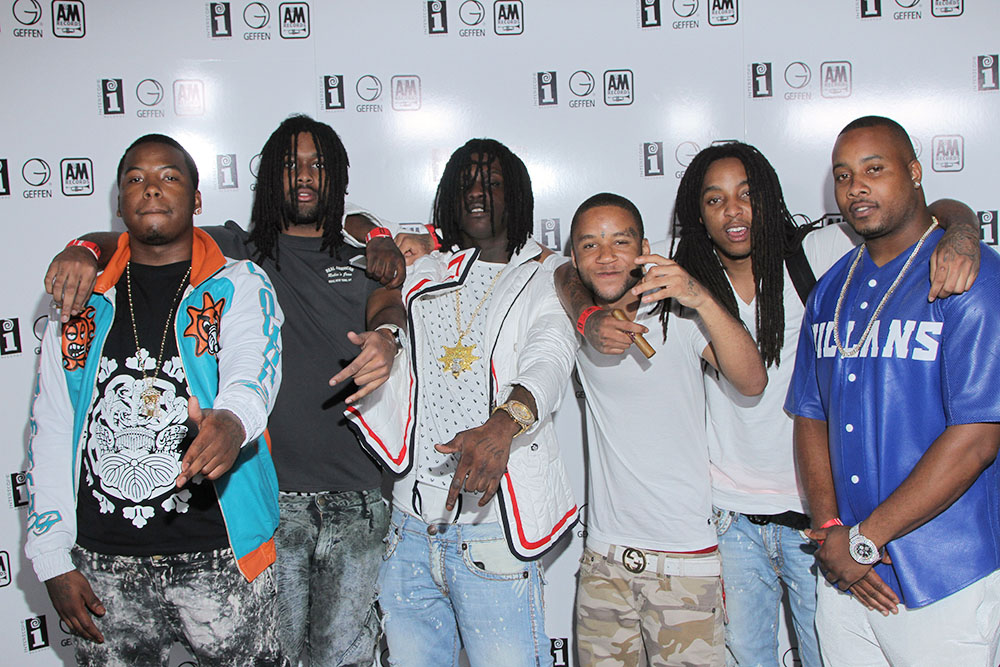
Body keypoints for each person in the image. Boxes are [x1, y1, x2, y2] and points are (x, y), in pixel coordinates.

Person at [571, 141, 980, 666]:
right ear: (698, 214)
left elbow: (929, 214)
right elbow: (573, 269)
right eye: (715, 200)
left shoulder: (820, 253)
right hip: (730, 519)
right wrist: (587, 314)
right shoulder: (682, 271)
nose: (733, 211)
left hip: (819, 520)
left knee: (825, 654)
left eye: (746, 195)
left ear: (768, 197)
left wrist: (963, 233)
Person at [42, 115, 406, 666]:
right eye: (289, 165)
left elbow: (388, 299)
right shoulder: (241, 250)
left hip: (356, 495)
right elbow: (143, 230)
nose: (303, 176)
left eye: (317, 164)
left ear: (340, 177)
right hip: (270, 501)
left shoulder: (367, 251)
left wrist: (387, 332)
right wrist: (81, 247)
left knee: (346, 657)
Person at [26, 134, 285, 665]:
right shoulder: (80, 305)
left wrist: (233, 421)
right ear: (119, 202)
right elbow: (51, 428)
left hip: (220, 552)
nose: (151, 189)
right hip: (101, 563)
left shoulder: (238, 283)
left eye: (169, 176)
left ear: (195, 200)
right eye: (135, 179)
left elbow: (252, 366)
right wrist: (51, 558)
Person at [347, 138, 578, 666]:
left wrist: (505, 423)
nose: (479, 194)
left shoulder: (547, 275)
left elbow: (550, 353)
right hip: (408, 530)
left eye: (494, 183)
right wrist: (381, 255)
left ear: (517, 196)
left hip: (491, 533)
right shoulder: (427, 268)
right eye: (466, 184)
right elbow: (350, 225)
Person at [786, 115, 1000, 666]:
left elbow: (977, 437)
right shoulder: (831, 288)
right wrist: (835, 535)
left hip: (944, 576)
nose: (856, 187)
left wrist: (864, 541)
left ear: (915, 171)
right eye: (843, 175)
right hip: (849, 580)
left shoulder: (969, 277)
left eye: (874, 170)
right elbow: (811, 416)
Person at [565, 192, 767, 666]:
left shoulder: (676, 316)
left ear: (644, 247)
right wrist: (589, 317)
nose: (607, 256)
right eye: (590, 245)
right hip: (604, 563)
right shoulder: (573, 320)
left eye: (620, 241)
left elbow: (752, 380)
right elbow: (550, 271)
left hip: (685, 562)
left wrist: (697, 295)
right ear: (574, 257)